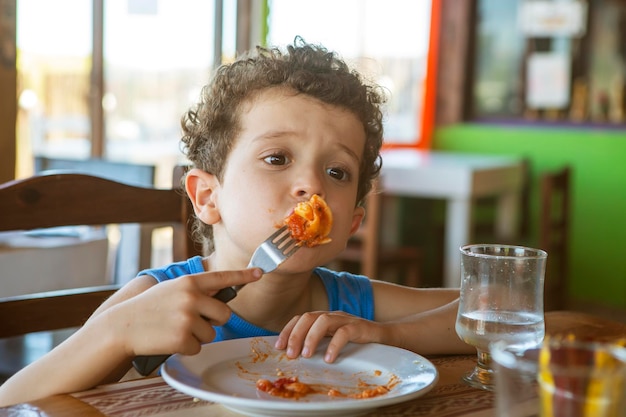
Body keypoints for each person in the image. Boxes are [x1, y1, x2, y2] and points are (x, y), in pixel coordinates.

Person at [0, 37, 472, 406]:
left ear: (352, 222)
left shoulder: (350, 307)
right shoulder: (158, 299)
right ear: (208, 197)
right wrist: (116, 335)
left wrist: (389, 335)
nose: (312, 185)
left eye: (337, 171)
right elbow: (12, 402)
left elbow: (508, 311)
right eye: (276, 157)